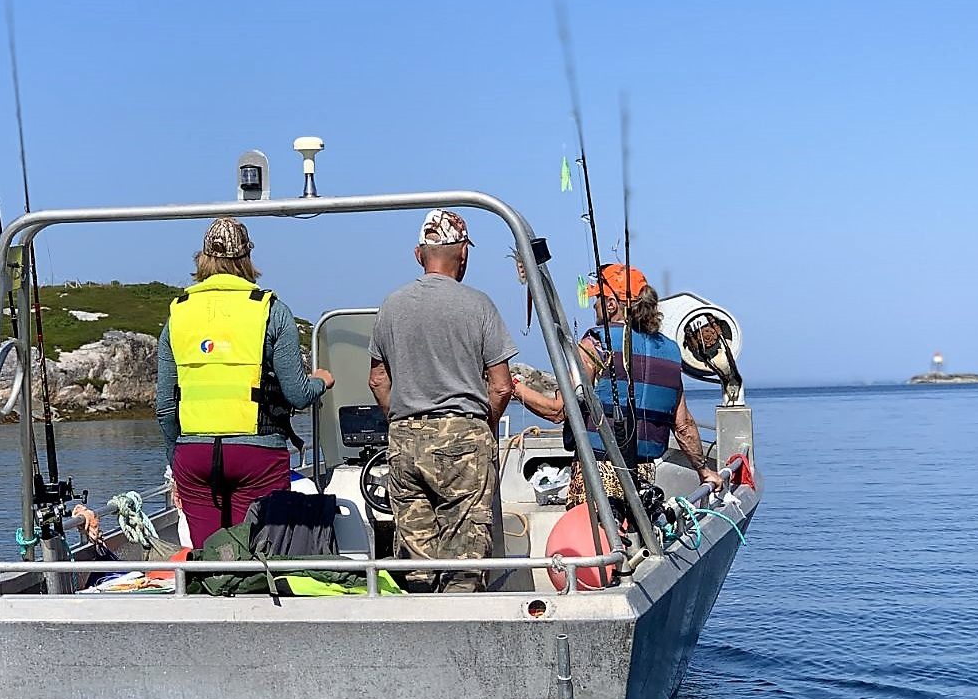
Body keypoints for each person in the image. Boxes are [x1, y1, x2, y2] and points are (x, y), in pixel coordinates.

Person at [155, 217, 335, 547]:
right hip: (258, 455)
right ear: (247, 259)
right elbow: (296, 393)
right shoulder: (271, 311)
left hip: (194, 458)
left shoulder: (178, 314)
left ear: (203, 259)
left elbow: (166, 407)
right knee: (261, 554)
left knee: (212, 558)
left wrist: (175, 463)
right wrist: (321, 382)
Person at [367, 209, 517, 593]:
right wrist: (480, 427)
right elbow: (501, 387)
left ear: (419, 254)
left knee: (418, 564)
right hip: (463, 437)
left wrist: (401, 422)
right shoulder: (479, 305)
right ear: (463, 254)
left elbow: (378, 379)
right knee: (464, 566)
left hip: (404, 438)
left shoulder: (391, 305)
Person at [511, 263, 723, 510]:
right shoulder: (670, 351)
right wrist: (703, 470)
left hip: (597, 470)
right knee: (634, 532)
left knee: (596, 539)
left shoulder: (596, 343)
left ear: (611, 304)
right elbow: (683, 425)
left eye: (598, 299)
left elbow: (559, 411)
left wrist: (513, 386)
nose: (594, 305)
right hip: (642, 472)